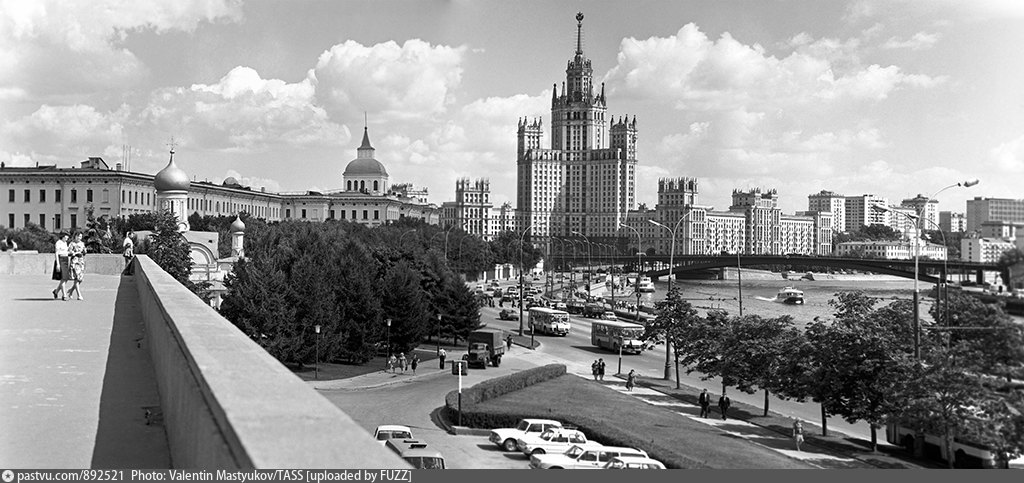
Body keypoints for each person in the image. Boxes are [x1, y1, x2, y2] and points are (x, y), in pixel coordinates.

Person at [67, 232, 87, 301]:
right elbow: (69, 252)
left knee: (80, 279)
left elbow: (84, 252)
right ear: (75, 236)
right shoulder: (72, 244)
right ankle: (79, 295)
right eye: (78, 236)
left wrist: (84, 251)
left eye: (80, 237)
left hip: (81, 261)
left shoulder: (82, 244)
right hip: (75, 261)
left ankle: (70, 291)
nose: (79, 238)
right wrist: (74, 253)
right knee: (77, 278)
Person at [52, 232, 70, 301]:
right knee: (63, 278)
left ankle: (56, 291)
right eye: (65, 237)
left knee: (65, 278)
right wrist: (58, 264)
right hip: (60, 259)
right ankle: (64, 295)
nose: (67, 239)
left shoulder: (65, 243)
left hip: (66, 259)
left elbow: (65, 251)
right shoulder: (58, 243)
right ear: (62, 237)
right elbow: (56, 253)